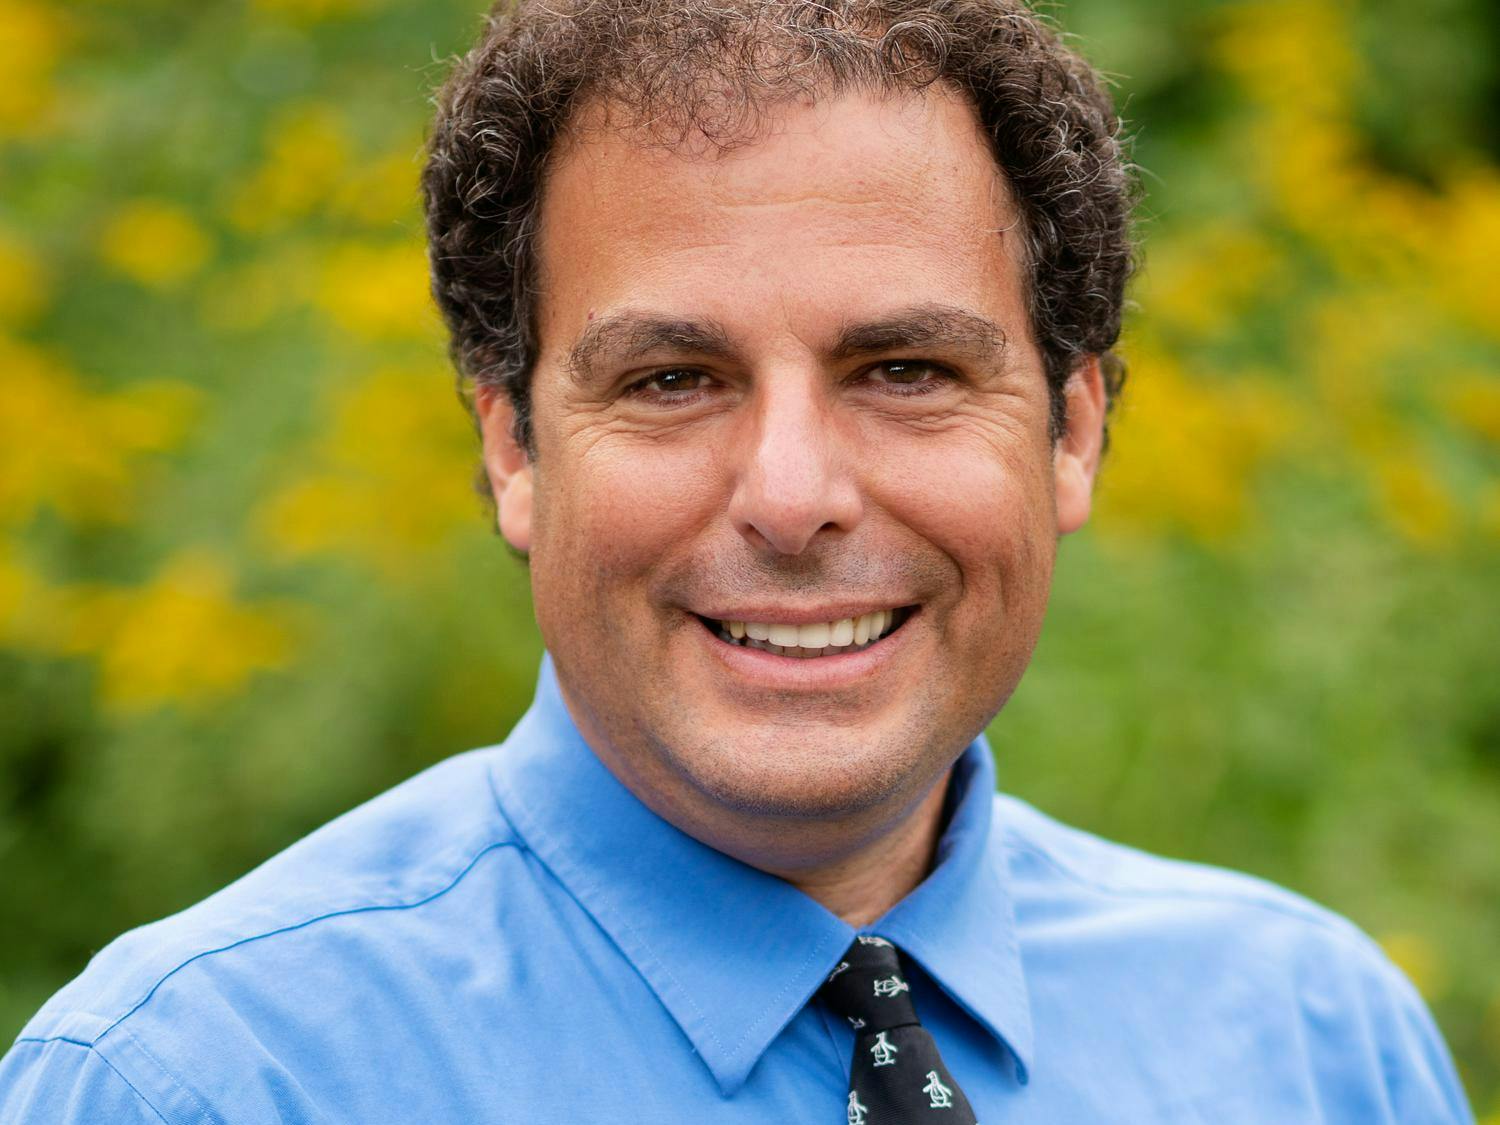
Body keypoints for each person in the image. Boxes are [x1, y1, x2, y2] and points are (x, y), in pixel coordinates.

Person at [0, 1, 1475, 1121]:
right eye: (671, 379)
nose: (791, 495)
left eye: (903, 368)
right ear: (512, 445)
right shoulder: (200, 1079)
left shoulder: (1315, 1043)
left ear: (1074, 428)